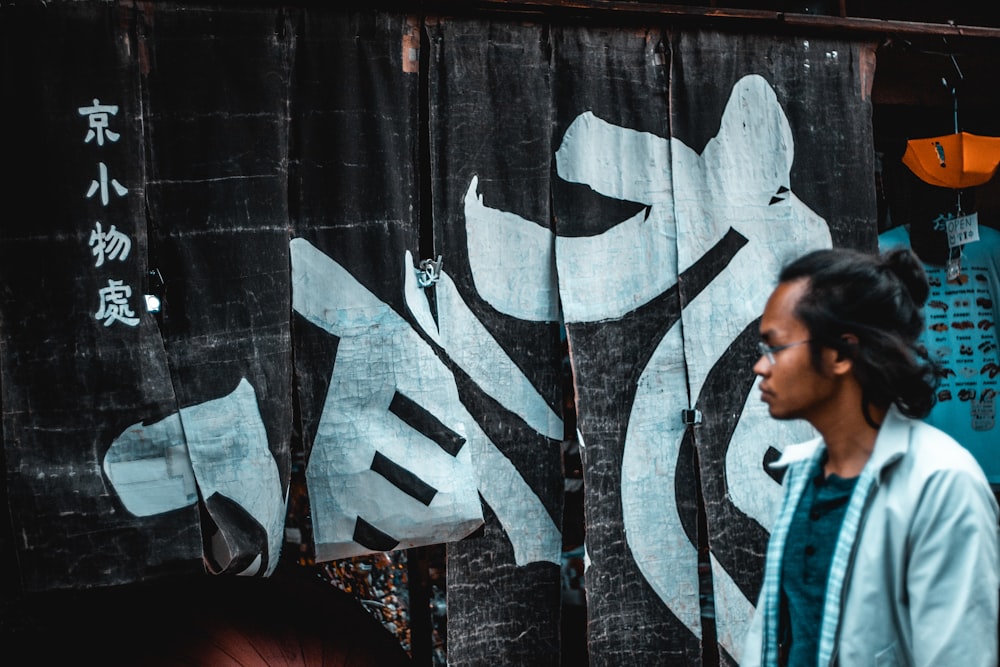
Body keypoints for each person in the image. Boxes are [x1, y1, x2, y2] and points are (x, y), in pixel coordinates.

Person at [741, 246, 999, 667]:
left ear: (841, 353)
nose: (760, 367)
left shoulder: (942, 484)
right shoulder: (802, 472)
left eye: (775, 347)